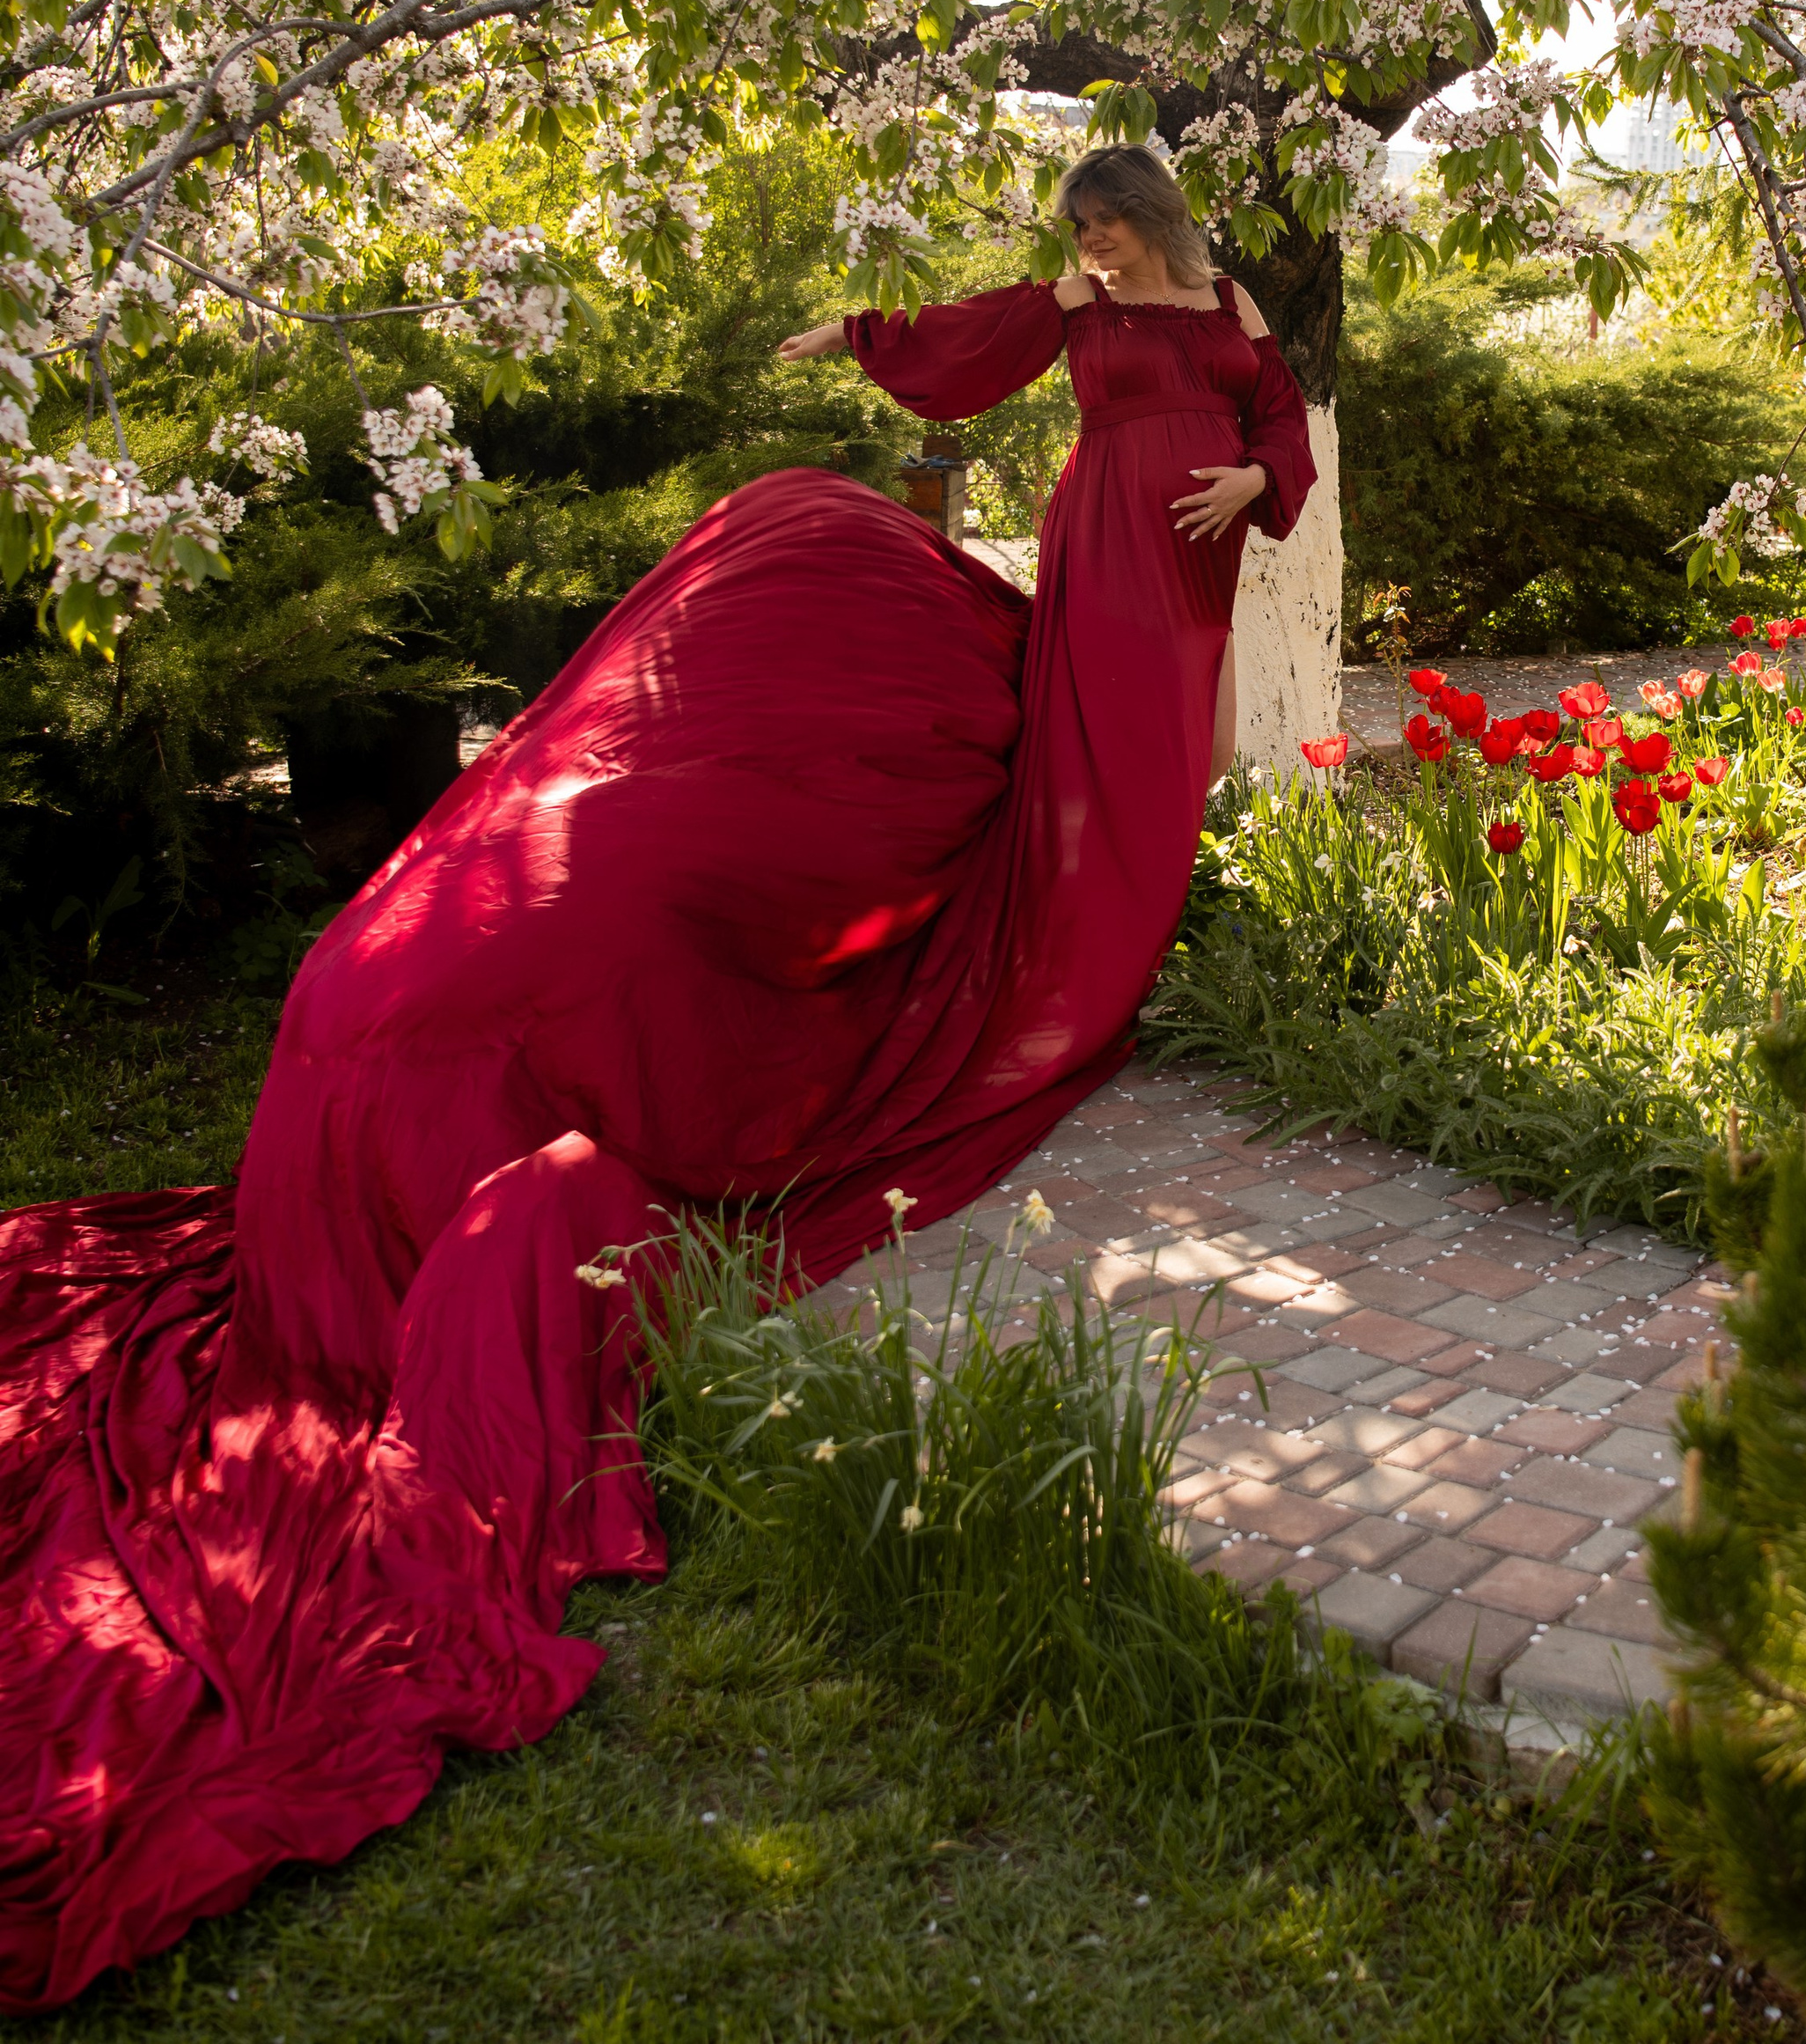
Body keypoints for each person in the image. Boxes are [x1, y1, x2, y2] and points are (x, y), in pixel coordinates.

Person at [0, 144, 1313, 2012]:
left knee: (1125, 771)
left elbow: (1284, 434)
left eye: (1110, 233)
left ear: (1160, 226)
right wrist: (857, 332)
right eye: (1080, 239)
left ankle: (1114, 890)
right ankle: (1074, 926)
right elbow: (971, 341)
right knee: (1059, 784)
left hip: (1166, 560)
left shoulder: (1224, 312)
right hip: (1091, 540)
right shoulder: (1083, 311)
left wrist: (1260, 479)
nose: (1091, 258)